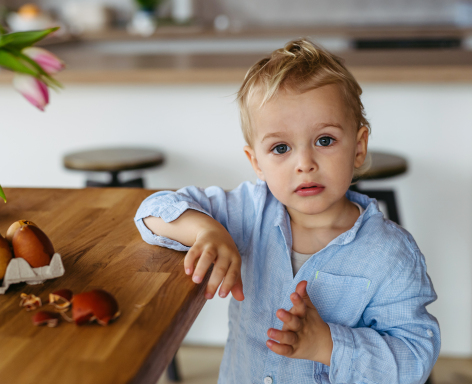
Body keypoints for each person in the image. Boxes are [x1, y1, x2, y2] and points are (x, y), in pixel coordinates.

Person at [134, 39, 440, 383]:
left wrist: (328, 345)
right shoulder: (250, 211)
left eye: (324, 140)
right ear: (257, 163)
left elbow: (416, 357)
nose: (305, 164)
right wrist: (206, 231)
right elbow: (151, 212)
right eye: (281, 148)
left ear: (359, 147)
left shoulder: (390, 253)